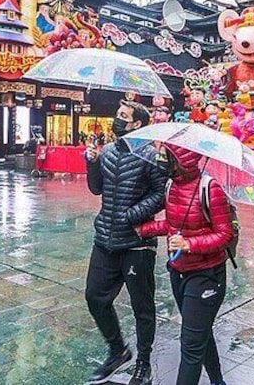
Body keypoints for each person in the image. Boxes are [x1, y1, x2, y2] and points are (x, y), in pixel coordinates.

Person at [84, 101, 168, 385]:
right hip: (105, 239)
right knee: (95, 297)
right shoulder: (107, 151)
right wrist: (92, 162)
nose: (117, 120)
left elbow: (162, 193)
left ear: (137, 125)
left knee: (141, 306)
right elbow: (96, 188)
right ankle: (118, 350)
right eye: (118, 115)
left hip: (137, 244)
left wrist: (134, 214)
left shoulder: (150, 156)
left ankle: (143, 363)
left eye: (123, 117)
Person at [138, 145, 233, 385]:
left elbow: (225, 235)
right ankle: (218, 381)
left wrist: (190, 244)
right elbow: (172, 226)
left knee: (190, 344)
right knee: (199, 333)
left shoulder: (209, 188)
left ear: (182, 160)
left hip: (207, 276)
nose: (163, 161)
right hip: (178, 272)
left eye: (167, 157)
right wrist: (143, 229)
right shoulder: (171, 185)